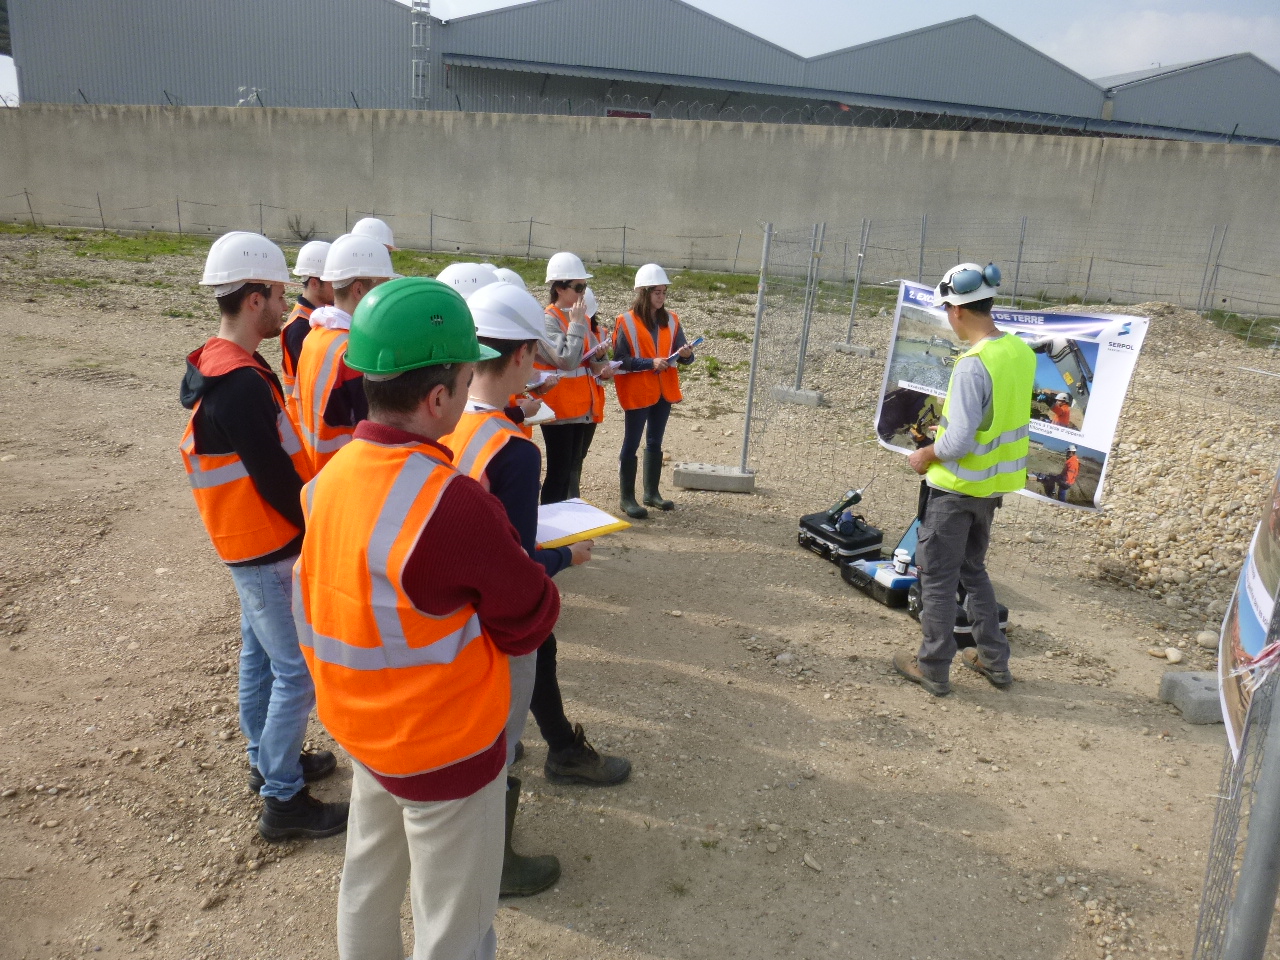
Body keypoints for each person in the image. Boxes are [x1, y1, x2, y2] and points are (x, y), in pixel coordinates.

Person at [294, 277, 560, 960]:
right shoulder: (450, 502)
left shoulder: (328, 480)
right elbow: (529, 615)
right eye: (466, 375)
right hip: (444, 746)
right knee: (455, 927)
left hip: (366, 730)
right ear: (439, 397)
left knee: (368, 884)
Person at [442, 282, 626, 895]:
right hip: (500, 620)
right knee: (499, 741)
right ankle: (492, 864)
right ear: (522, 356)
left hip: (455, 606)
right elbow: (520, 562)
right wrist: (567, 556)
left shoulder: (456, 424)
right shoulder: (515, 455)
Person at [179, 231, 347, 841]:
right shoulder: (244, 383)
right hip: (267, 547)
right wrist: (315, 529)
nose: (287, 306)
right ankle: (282, 798)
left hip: (243, 544)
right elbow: (276, 479)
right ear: (254, 298)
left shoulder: (217, 366)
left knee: (260, 659)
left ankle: (264, 761)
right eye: (279, 294)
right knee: (297, 671)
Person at [894, 262, 1035, 696]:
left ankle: (932, 667)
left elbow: (956, 444)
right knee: (973, 571)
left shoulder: (973, 365)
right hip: (990, 489)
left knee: (936, 579)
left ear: (956, 311)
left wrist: (926, 452)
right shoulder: (1018, 351)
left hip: (954, 491)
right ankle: (994, 662)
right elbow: (992, 422)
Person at [292, 233, 399, 473]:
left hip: (319, 468)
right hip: (347, 472)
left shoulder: (316, 335)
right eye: (383, 287)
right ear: (359, 289)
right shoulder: (353, 352)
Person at [612, 263, 695, 519]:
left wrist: (687, 355)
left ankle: (651, 494)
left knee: (655, 442)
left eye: (664, 291)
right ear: (643, 292)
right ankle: (627, 498)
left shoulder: (672, 319)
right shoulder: (624, 321)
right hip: (638, 390)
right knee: (631, 443)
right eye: (657, 291)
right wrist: (650, 363)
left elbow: (684, 357)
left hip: (663, 391)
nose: (661, 296)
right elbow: (620, 360)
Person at [536, 252, 615, 504]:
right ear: (559, 288)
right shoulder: (548, 320)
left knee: (571, 471)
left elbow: (590, 365)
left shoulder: (579, 319)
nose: (583, 292)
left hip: (581, 407)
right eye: (578, 287)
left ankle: (567, 528)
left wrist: (601, 359)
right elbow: (567, 360)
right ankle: (551, 529)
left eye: (585, 286)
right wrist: (577, 324)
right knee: (558, 474)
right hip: (559, 410)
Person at [279, 240, 334, 405]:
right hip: (305, 424)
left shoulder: (320, 314)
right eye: (333, 281)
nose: (339, 286)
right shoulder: (300, 328)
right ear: (315, 283)